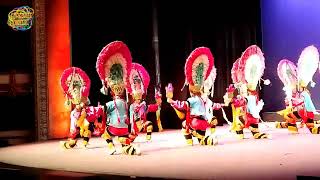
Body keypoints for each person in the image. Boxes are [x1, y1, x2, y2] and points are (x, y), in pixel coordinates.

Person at [166, 47, 219, 146]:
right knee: (201, 139)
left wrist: (171, 101)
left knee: (184, 125)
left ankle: (190, 140)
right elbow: (214, 106)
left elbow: (183, 105)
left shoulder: (193, 99)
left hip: (195, 122)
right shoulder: (203, 99)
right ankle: (204, 139)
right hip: (204, 124)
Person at [96, 41, 140, 155]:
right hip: (125, 128)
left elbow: (101, 111)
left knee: (105, 133)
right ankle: (129, 147)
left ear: (111, 91)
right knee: (123, 140)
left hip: (114, 127)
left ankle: (111, 147)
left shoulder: (110, 104)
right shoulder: (126, 104)